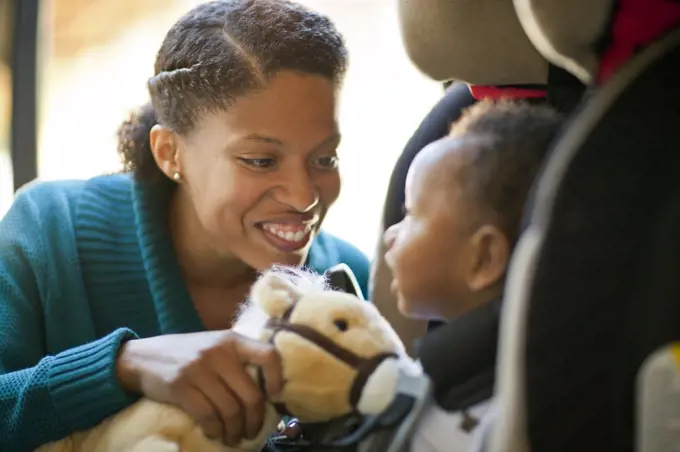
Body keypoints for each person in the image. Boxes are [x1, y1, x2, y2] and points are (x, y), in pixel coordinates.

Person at [0, 1, 369, 450]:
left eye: (324, 157)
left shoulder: (347, 285)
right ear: (170, 153)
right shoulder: (48, 232)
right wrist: (124, 366)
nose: (304, 195)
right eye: (260, 160)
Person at [383, 99, 563, 451]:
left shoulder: (503, 424)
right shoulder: (457, 375)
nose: (391, 234)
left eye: (411, 215)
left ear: (483, 257)